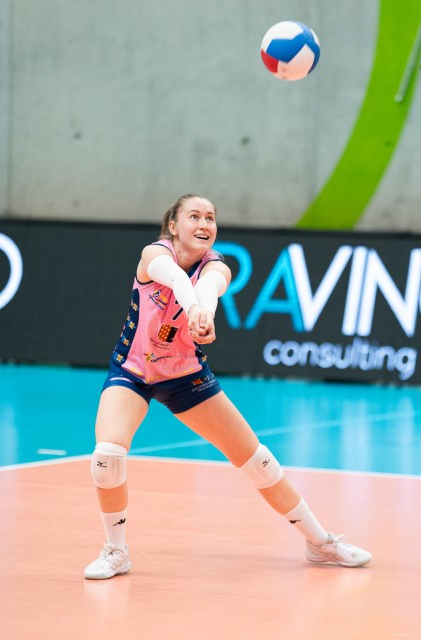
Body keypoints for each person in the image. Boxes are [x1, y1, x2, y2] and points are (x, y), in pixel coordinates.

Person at [84, 193, 372, 580]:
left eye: (210, 218)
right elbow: (176, 280)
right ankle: (116, 551)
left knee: (258, 462)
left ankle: (320, 543)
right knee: (107, 457)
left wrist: (205, 313)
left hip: (186, 376)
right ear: (174, 225)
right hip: (133, 370)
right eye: (194, 216)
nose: (205, 224)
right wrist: (193, 311)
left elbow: (208, 288)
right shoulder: (155, 254)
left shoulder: (217, 265)